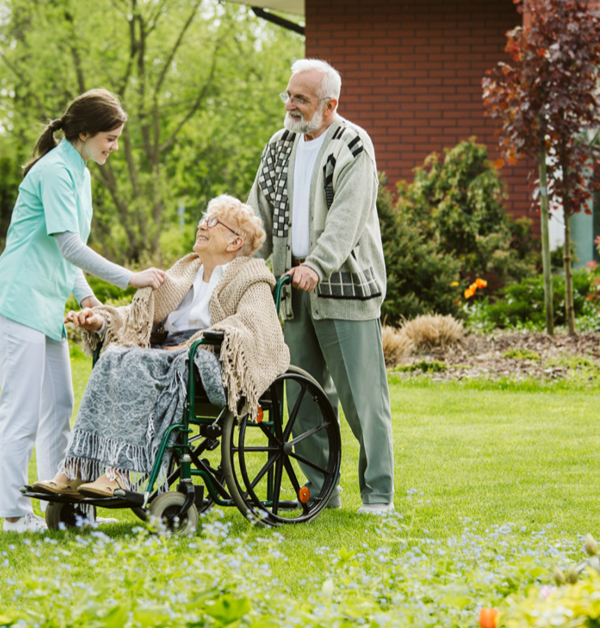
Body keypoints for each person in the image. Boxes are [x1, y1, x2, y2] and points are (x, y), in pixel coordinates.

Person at [0, 88, 168, 533]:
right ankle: (12, 514)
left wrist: (85, 298)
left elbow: (66, 252)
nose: (114, 147)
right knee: (21, 411)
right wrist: (129, 277)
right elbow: (69, 244)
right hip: (15, 301)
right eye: (110, 138)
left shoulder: (79, 171)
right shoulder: (54, 171)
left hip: (44, 307)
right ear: (83, 133)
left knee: (60, 406)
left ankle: (63, 508)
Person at [32, 195, 289, 497]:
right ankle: (76, 467)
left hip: (206, 357)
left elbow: (252, 324)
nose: (201, 225)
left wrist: (195, 343)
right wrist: (100, 321)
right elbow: (140, 316)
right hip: (166, 353)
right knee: (114, 356)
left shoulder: (252, 277)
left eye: (212, 222)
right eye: (203, 218)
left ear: (235, 242)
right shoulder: (185, 271)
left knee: (139, 363)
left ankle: (119, 474)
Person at [246, 58, 396, 515]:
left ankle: (378, 494)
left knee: (362, 400)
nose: (290, 105)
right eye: (288, 95)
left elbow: (346, 221)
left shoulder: (353, 145)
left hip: (343, 287)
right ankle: (319, 490)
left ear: (330, 105)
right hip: (291, 288)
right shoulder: (279, 145)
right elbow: (259, 214)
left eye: (301, 99)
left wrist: (318, 263)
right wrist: (244, 263)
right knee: (304, 396)